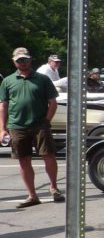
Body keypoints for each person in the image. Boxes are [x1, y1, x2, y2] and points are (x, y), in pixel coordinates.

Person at [0, 47, 65, 207]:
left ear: (30, 60)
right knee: (23, 160)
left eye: (25, 59)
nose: (23, 62)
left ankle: (54, 187)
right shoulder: (7, 81)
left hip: (40, 124)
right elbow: (3, 105)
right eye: (19, 60)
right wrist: (2, 128)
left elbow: (53, 103)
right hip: (17, 126)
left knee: (48, 155)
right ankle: (32, 195)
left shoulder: (42, 79)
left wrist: (47, 120)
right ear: (14, 62)